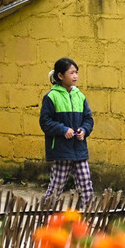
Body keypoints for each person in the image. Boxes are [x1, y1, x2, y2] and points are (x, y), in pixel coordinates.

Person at [39, 57, 94, 208]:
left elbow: (88, 119)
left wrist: (84, 130)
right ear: (60, 76)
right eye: (71, 73)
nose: (75, 76)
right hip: (62, 150)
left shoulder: (80, 96)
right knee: (56, 187)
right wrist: (63, 130)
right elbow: (45, 122)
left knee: (86, 187)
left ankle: (88, 218)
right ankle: (46, 215)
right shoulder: (51, 97)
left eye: (77, 72)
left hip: (79, 149)